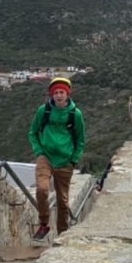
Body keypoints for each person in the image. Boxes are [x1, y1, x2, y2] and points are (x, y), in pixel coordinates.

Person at [28, 76, 86, 241]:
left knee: (62, 200)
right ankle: (44, 223)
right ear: (52, 94)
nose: (59, 96)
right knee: (42, 189)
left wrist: (73, 160)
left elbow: (80, 140)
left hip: (65, 161)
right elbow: (32, 133)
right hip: (45, 157)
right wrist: (39, 151)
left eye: (62, 92)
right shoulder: (43, 111)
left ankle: (62, 233)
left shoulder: (75, 114)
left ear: (67, 93)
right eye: (56, 93)